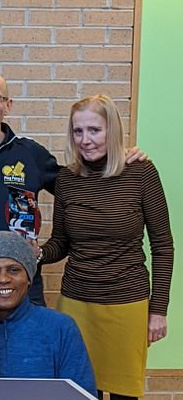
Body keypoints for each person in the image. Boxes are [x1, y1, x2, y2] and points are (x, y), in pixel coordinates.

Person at [0, 71, 145, 308]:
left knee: (30, 346)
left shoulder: (31, 155)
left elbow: (80, 184)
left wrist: (114, 158)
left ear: (7, 105)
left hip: (22, 287)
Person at [38, 95, 174, 400]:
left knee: (126, 395)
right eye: (78, 131)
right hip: (76, 305)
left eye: (94, 130)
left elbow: (163, 246)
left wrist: (158, 311)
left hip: (127, 306)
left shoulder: (141, 173)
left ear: (112, 130)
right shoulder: (66, 179)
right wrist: (37, 254)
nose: (85, 140)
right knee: (81, 393)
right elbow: (60, 242)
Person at [0, 231, 96, 395]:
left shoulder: (61, 328)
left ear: (29, 278)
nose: (3, 279)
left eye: (14, 270)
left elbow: (83, 394)